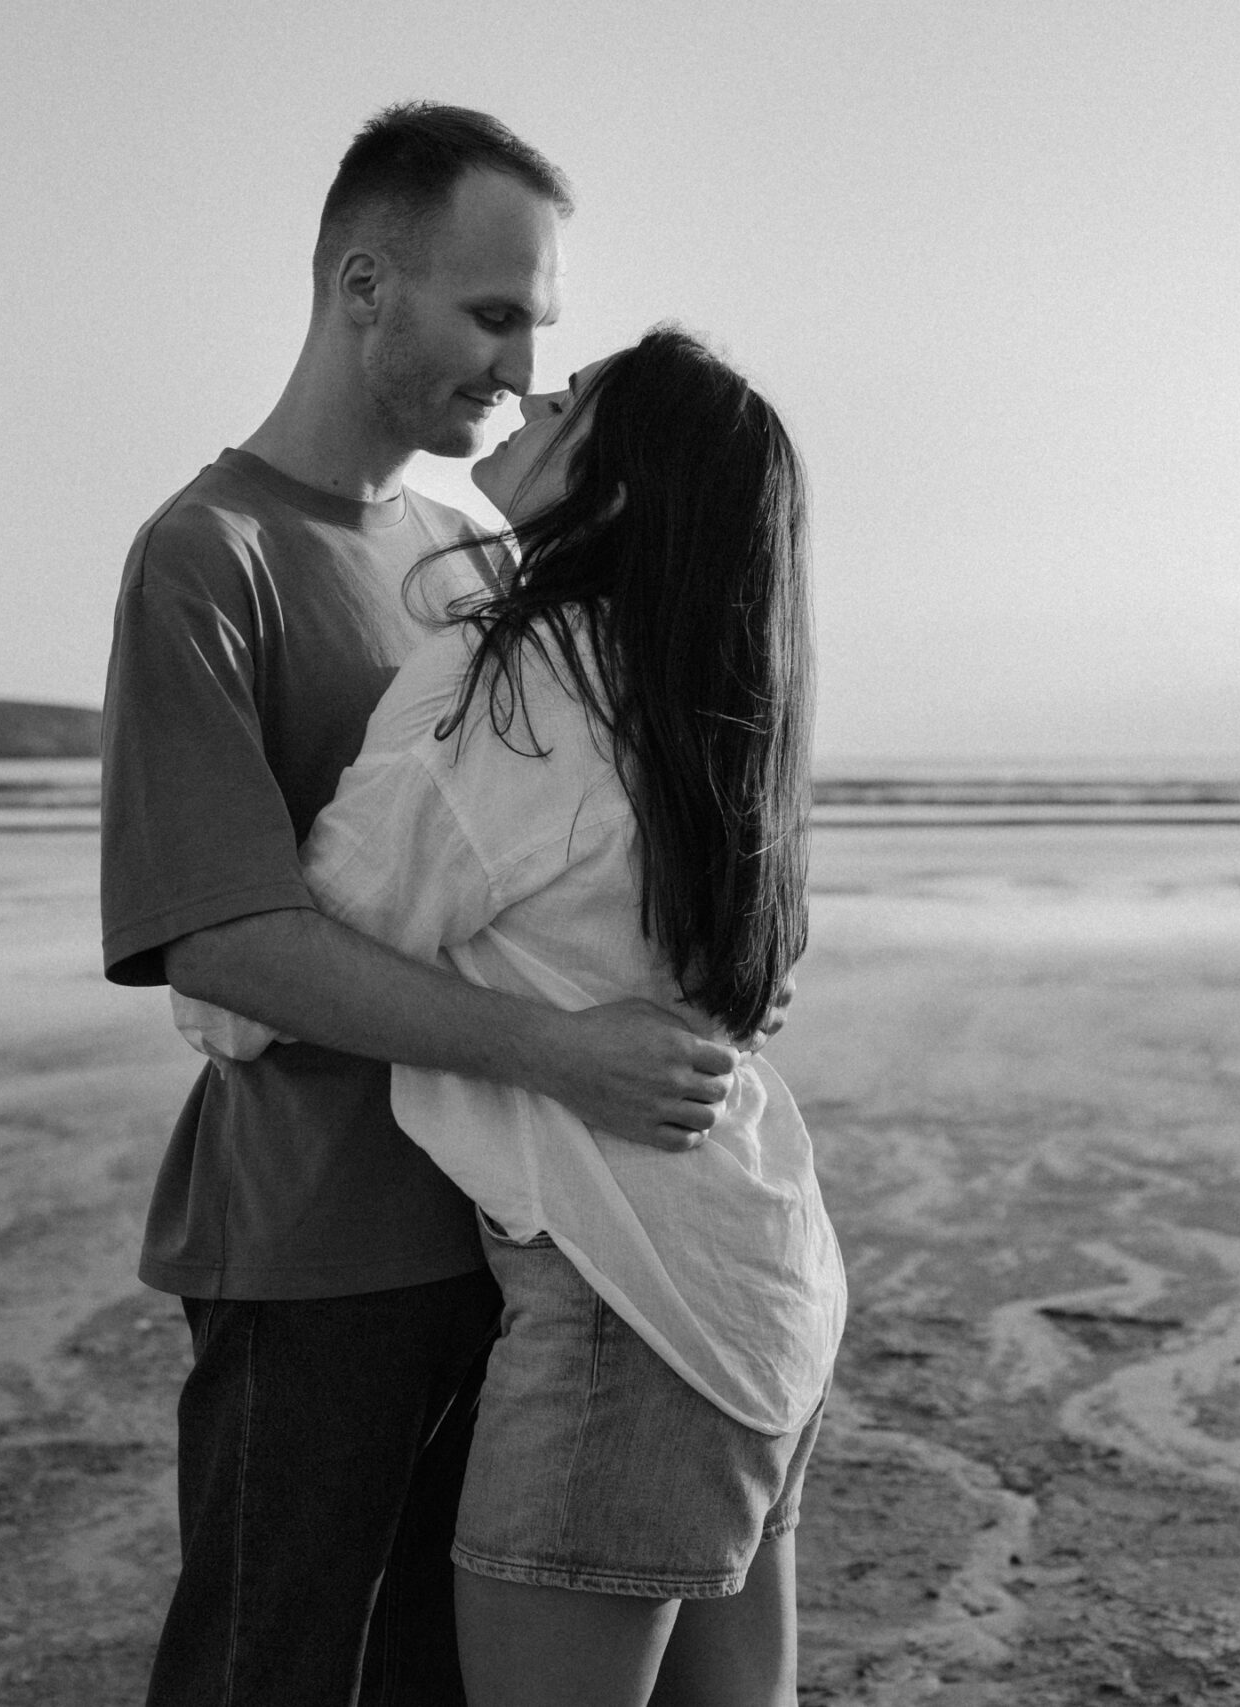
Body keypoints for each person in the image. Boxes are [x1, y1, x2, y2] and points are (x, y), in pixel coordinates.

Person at [99, 105, 759, 1707]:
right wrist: (562, 1050)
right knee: (272, 1674)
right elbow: (226, 941)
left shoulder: (478, 552)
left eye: (540, 322)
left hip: (523, 1244)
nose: (526, 366)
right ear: (364, 285)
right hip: (314, 1247)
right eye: (493, 313)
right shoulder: (209, 554)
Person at [176, 327, 841, 1707]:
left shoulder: (523, 684)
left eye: (579, 396)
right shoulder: (706, 698)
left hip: (621, 1302)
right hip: (761, 1275)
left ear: (623, 482)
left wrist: (229, 998)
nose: (534, 387)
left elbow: (257, 973)